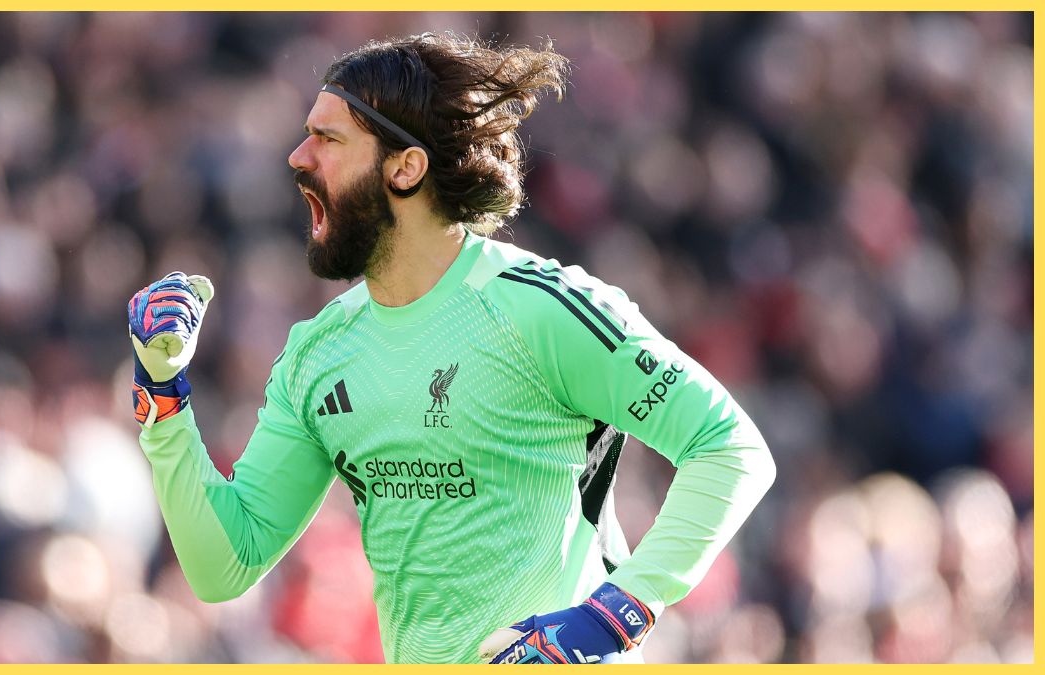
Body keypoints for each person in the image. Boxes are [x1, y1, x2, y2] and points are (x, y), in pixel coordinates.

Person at [127, 32, 776, 665]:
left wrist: (617, 611)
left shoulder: (540, 307)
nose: (298, 156)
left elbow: (729, 446)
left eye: (327, 138)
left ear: (405, 168)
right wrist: (164, 397)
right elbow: (227, 562)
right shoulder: (318, 353)